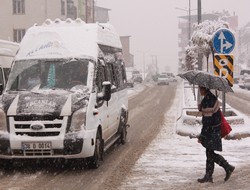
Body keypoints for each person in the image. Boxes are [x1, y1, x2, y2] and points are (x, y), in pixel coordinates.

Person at [197, 86, 235, 183]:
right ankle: (209, 175)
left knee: (210, 154)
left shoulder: (208, 100)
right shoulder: (210, 98)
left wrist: (202, 136)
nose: (199, 90)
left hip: (212, 131)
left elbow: (207, 121)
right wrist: (202, 108)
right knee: (209, 153)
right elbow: (210, 116)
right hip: (214, 130)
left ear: (204, 89)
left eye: (200, 89)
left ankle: (227, 167)